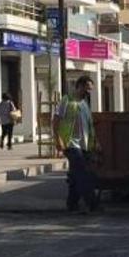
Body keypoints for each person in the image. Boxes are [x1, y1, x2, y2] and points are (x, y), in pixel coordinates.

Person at [52, 76, 100, 213]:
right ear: (79, 86)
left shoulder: (84, 105)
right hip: (71, 144)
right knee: (83, 173)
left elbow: (90, 126)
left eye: (90, 90)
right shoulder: (66, 101)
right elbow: (55, 120)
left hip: (84, 145)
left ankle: (72, 204)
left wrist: (96, 142)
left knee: (75, 175)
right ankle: (92, 203)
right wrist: (58, 140)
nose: (88, 92)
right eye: (87, 89)